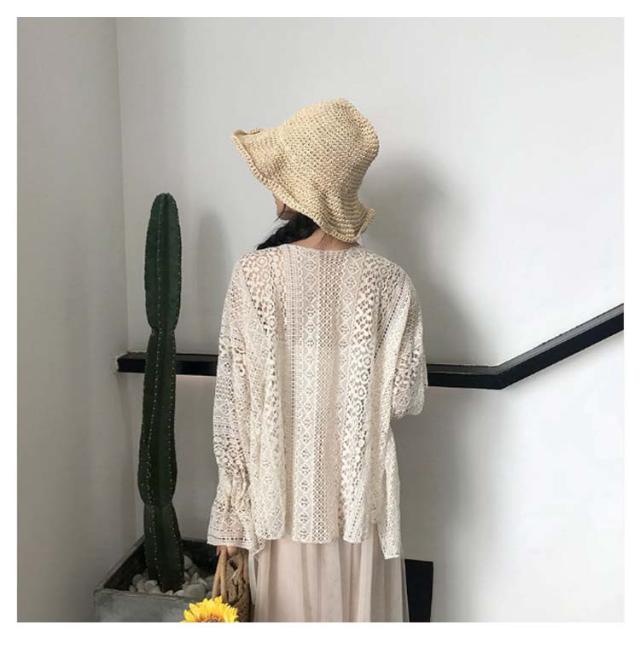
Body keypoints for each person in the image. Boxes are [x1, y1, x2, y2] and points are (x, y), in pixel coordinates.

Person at [207, 98, 429, 622]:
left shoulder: (255, 275)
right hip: (358, 511)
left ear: (298, 186)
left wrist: (232, 521)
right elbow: (404, 398)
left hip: (278, 508)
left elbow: (234, 408)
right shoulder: (391, 283)